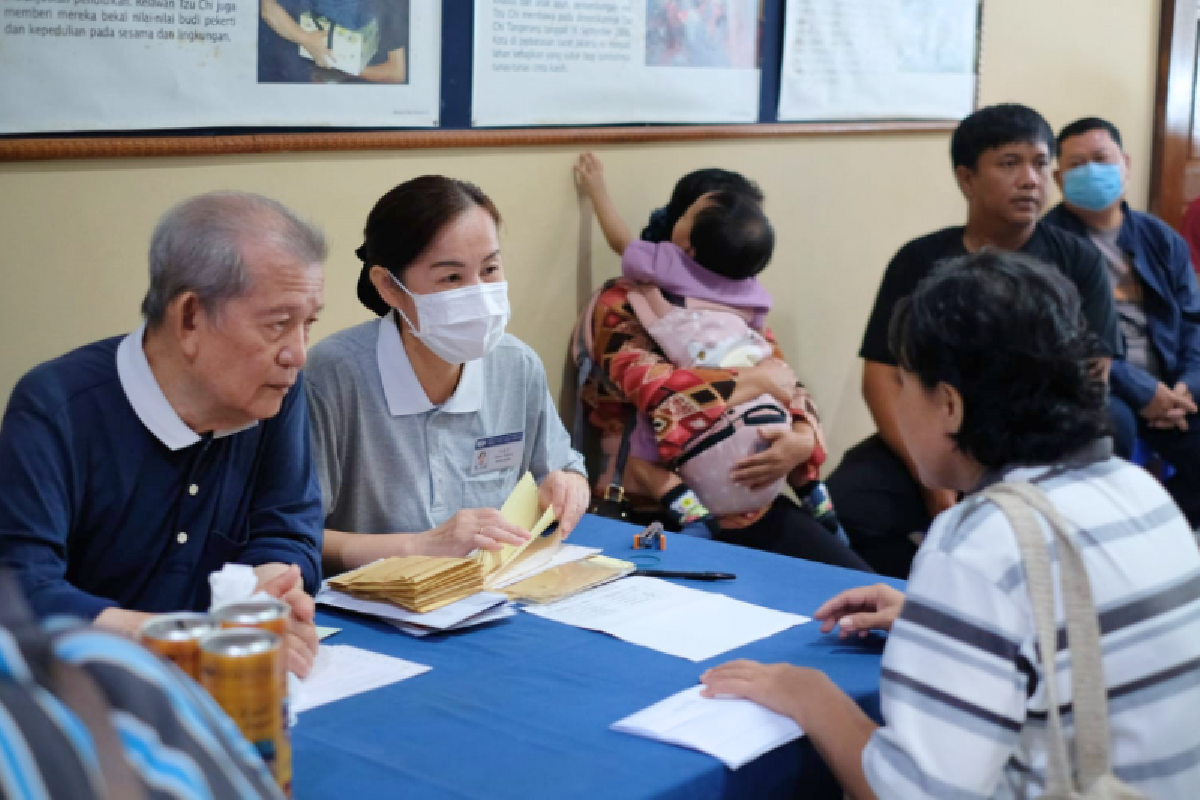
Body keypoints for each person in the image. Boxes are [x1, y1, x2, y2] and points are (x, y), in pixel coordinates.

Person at [702, 252, 1200, 799]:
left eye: (906, 383)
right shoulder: (1138, 489)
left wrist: (810, 696)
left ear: (951, 405)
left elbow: (913, 794)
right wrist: (941, 619)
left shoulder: (980, 543)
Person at [0, 191, 325, 677]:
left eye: (308, 325)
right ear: (190, 317)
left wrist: (269, 594)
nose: (297, 354)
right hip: (84, 694)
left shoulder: (275, 391)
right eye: (279, 325)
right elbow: (22, 588)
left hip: (220, 681)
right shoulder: (56, 407)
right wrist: (181, 643)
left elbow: (289, 523)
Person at [826, 103, 1122, 578]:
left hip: (1033, 437)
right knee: (851, 498)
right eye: (1010, 164)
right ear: (966, 179)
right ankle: (915, 594)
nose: (1031, 179)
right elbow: (881, 378)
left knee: (1114, 433)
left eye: (1041, 163)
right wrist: (934, 480)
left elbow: (1093, 369)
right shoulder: (919, 259)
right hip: (939, 434)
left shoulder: (1077, 259)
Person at [574, 155, 867, 569]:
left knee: (856, 586)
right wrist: (759, 384)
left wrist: (802, 438)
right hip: (661, 511)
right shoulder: (623, 305)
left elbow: (788, 382)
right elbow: (659, 393)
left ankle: (821, 510)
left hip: (755, 503)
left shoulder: (736, 304)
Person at [305, 176, 589, 574]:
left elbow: (562, 466)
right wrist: (417, 546)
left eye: (490, 269)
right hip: (371, 610)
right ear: (389, 286)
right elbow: (293, 533)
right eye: (452, 278)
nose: (478, 293)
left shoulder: (515, 365)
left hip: (489, 597)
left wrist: (571, 485)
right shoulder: (334, 374)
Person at [1043, 116, 1200, 526]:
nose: (1090, 171)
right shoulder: (1046, 245)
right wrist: (1144, 391)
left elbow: (1193, 319)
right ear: (1059, 178)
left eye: (1101, 158)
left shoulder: (1160, 237)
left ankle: (1160, 531)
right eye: (1076, 165)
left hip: (1172, 385)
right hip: (1098, 385)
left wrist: (1187, 385)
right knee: (1111, 428)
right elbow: (1066, 341)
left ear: (1125, 164)